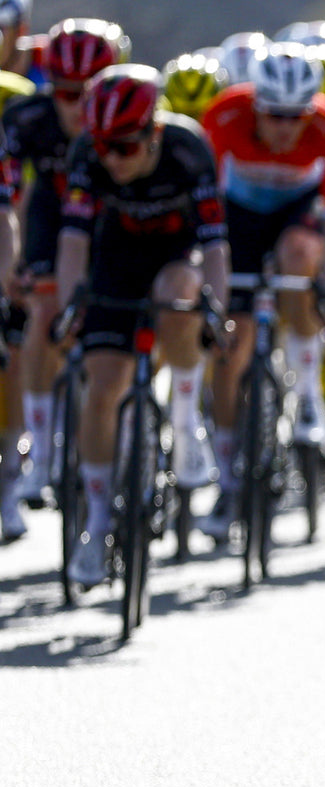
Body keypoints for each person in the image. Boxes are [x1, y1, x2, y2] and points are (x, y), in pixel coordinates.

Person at [57, 64, 231, 586]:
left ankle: (183, 418)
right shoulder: (89, 155)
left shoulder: (188, 149)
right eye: (104, 146)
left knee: (179, 294)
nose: (111, 159)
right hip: (115, 260)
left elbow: (216, 247)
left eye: (125, 148)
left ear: (154, 133)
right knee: (103, 387)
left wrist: (217, 310)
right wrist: (69, 307)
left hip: (176, 257)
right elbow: (73, 241)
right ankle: (96, 522)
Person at [198, 42, 325, 540]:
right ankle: (226, 476)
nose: (287, 128)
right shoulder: (223, 117)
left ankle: (308, 393)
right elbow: (206, 218)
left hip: (295, 216)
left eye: (296, 117)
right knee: (230, 350)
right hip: (236, 223)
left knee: (299, 257)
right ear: (254, 106)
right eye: (275, 116)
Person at [0, 17, 120, 538]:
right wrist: (9, 265)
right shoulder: (26, 118)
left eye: (87, 91)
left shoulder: (124, 118)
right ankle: (42, 455)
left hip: (115, 221)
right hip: (52, 218)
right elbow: (5, 203)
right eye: (65, 92)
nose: (74, 105)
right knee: (43, 309)